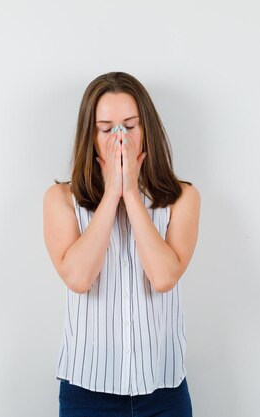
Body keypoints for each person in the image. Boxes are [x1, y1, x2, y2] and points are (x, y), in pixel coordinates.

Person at [43, 71, 201, 417]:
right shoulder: (60, 199)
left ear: (147, 130)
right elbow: (79, 279)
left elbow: (163, 278)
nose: (120, 138)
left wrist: (131, 192)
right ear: (91, 135)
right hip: (86, 393)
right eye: (106, 128)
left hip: (163, 390)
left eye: (130, 126)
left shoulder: (183, 197)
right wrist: (112, 192)